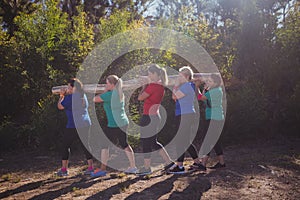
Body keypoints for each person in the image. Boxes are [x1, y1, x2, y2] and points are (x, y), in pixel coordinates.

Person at [93, 75, 137, 176]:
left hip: (114, 124)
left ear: (112, 85)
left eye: (107, 83)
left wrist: (104, 90)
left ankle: (103, 169)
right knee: (125, 144)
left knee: (105, 145)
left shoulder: (109, 95)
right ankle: (133, 167)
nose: (105, 84)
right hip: (122, 122)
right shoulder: (119, 92)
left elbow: (95, 99)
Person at [137, 64, 174, 175]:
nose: (148, 76)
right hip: (155, 117)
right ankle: (169, 162)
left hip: (148, 117)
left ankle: (147, 168)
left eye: (149, 74)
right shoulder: (160, 85)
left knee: (146, 143)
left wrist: (144, 85)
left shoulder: (152, 86)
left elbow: (140, 98)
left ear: (154, 74)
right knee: (153, 142)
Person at [168, 66, 204, 174]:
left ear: (187, 76)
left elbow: (174, 97)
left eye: (180, 75)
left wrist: (175, 85)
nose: (178, 77)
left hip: (185, 115)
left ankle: (179, 166)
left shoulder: (187, 86)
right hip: (185, 114)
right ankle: (198, 163)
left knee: (181, 140)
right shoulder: (189, 85)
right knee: (185, 141)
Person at [56, 78, 94, 177]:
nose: (67, 88)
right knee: (86, 145)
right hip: (85, 123)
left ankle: (64, 169)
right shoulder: (83, 95)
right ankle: (90, 168)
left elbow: (60, 106)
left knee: (65, 145)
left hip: (73, 125)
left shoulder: (70, 98)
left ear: (74, 88)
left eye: (69, 86)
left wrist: (61, 96)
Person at [197, 74, 226, 169]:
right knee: (215, 141)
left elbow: (200, 97)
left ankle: (203, 164)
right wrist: (205, 89)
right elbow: (204, 96)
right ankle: (221, 163)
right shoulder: (217, 90)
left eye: (210, 81)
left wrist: (196, 87)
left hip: (213, 118)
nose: (208, 83)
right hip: (216, 117)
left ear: (216, 83)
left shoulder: (213, 91)